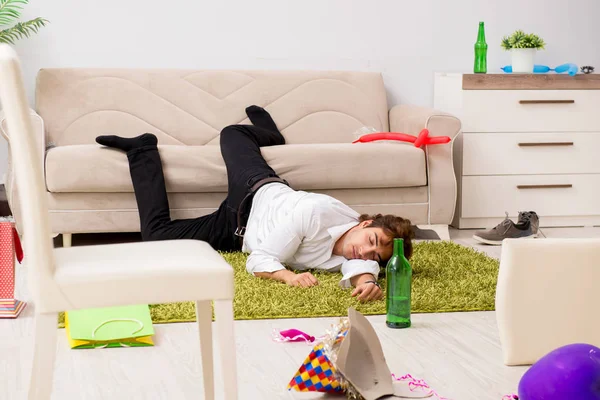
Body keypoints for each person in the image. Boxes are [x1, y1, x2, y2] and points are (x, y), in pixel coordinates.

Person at [95, 105, 414, 303]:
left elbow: (362, 266)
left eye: (377, 255)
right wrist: (288, 277)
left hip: (233, 233)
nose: (366, 251)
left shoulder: (364, 253)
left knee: (155, 237)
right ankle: (270, 134)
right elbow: (260, 260)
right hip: (253, 194)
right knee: (232, 133)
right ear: (363, 224)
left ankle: (141, 149)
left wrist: (369, 281)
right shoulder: (315, 213)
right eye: (371, 241)